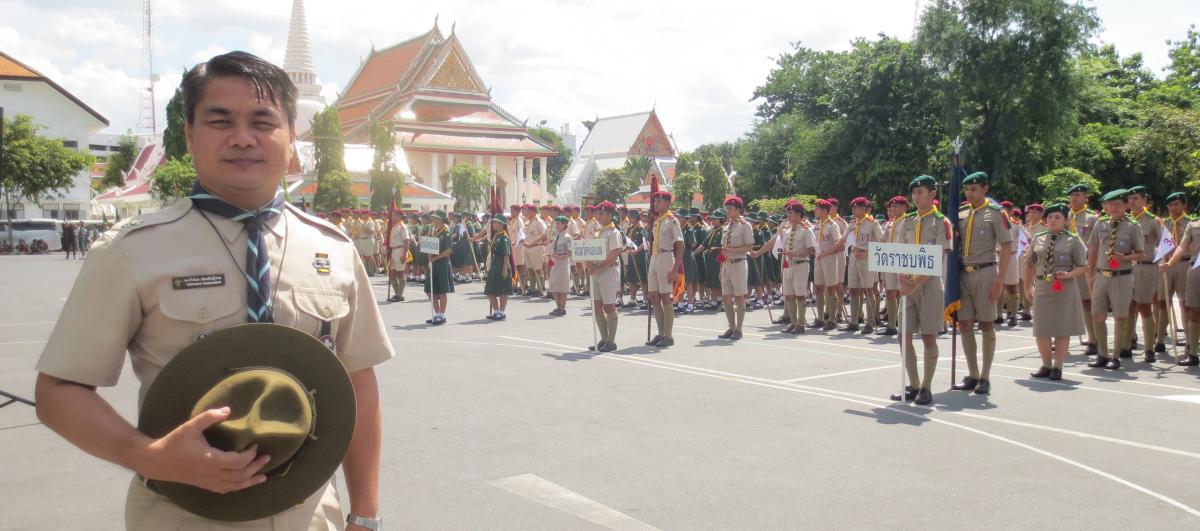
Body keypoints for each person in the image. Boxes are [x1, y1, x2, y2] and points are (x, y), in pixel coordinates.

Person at [33, 51, 389, 531]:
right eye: (220, 121)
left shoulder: (335, 249)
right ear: (189, 136)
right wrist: (151, 457)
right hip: (182, 514)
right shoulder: (131, 252)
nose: (243, 137)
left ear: (292, 138)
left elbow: (359, 384)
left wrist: (364, 515)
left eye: (263, 121)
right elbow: (59, 390)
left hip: (307, 516)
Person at [891, 175, 952, 406]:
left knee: (928, 336)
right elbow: (897, 253)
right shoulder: (906, 222)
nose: (916, 197)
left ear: (932, 194)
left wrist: (916, 283)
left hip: (929, 285)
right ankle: (913, 384)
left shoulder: (940, 222)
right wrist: (902, 278)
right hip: (908, 285)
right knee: (902, 336)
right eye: (914, 193)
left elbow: (939, 257)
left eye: (921, 192)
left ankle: (926, 386)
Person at [952, 172, 1014, 395]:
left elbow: (1007, 247)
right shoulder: (960, 213)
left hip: (986, 271)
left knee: (987, 323)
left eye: (974, 189)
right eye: (967, 189)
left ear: (985, 189)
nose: (970, 193)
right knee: (965, 324)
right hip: (963, 274)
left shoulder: (996, 213)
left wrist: (1000, 280)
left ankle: (985, 377)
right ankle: (973, 373)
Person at [1023, 204, 1088, 380]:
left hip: (1064, 288)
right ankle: (1046, 364)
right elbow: (1029, 264)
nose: (1052, 220)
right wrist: (1027, 287)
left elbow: (1082, 266)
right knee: (1041, 328)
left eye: (1057, 217)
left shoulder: (1073, 240)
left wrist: (1069, 274)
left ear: (1066, 221)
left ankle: (1058, 367)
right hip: (1043, 286)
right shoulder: (1038, 238)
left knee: (1061, 329)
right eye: (1050, 217)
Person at [1086, 189, 1144, 370]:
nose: (1112, 207)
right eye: (1109, 204)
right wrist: (1090, 274)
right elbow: (1093, 250)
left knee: (1120, 316)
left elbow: (1140, 254)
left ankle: (1115, 355)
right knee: (1097, 315)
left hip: (1122, 277)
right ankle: (1102, 353)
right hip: (1102, 275)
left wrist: (1124, 258)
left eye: (1117, 204)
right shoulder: (1100, 224)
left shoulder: (1133, 226)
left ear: (1126, 206)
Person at [755, 200, 815, 334]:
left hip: (800, 264)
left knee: (800, 295)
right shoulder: (787, 230)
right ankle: (793, 323)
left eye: (791, 213)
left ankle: (800, 324)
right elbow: (773, 242)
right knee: (788, 295)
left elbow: (811, 250)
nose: (788, 215)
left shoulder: (806, 230)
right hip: (787, 264)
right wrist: (758, 253)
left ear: (799, 214)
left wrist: (796, 253)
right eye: (787, 212)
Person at [1126, 186, 1163, 362]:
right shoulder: (1124, 221)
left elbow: (1166, 243)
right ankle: (1127, 342)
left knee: (1144, 307)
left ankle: (1149, 348)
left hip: (1145, 267)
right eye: (1130, 199)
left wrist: (1166, 261)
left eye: (1136, 199)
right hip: (1126, 268)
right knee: (1128, 306)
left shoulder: (1152, 221)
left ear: (1143, 200)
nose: (1132, 202)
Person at [1164, 196, 1200, 366]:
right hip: (1195, 270)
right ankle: (1192, 352)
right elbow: (1182, 246)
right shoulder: (1193, 225)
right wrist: (1170, 263)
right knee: (1193, 310)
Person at [645, 191, 684, 347]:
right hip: (655, 257)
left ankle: (668, 335)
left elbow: (680, 246)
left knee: (665, 297)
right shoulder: (656, 221)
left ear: (668, 202)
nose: (655, 204)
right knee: (653, 296)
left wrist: (675, 270)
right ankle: (660, 333)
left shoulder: (672, 221)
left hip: (666, 257)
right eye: (655, 201)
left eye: (659, 201)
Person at [1068, 184, 1102, 356]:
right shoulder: (1067, 216)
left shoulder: (1092, 218)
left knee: (1090, 302)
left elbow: (1097, 244)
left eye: (1078, 195)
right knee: (1080, 302)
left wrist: (1092, 265)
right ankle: (1088, 337)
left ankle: (1094, 339)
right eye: (1072, 195)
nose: (1074, 198)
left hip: (1089, 265)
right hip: (1072, 266)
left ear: (1085, 198)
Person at [842, 197, 883, 334]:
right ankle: (854, 321)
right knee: (853, 289)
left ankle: (870, 322)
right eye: (854, 208)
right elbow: (843, 238)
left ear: (865, 209)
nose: (855, 210)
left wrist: (868, 252)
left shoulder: (872, 223)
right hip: (854, 256)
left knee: (868, 290)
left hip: (867, 257)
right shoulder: (853, 223)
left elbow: (881, 241)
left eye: (859, 207)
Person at [588, 202, 624, 352]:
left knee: (609, 306)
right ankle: (603, 338)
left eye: (602, 213)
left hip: (608, 271)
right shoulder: (598, 231)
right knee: (596, 306)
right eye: (598, 213)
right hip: (597, 271)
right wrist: (590, 265)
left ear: (610, 215)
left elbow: (614, 253)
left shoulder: (613, 232)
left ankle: (611, 341)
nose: (598, 216)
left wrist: (599, 268)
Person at [1160, 192, 1192, 362]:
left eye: (1177, 204)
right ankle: (1159, 339)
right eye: (1170, 205)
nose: (1173, 208)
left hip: (1185, 264)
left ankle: (1188, 340)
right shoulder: (1163, 224)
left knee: (1184, 303)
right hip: (1165, 265)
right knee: (1162, 301)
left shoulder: (1191, 223)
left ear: (1184, 206)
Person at [718, 197, 755, 340]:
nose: (727, 211)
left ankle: (739, 329)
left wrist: (733, 249)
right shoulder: (727, 226)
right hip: (727, 264)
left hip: (739, 262)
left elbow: (749, 246)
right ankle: (731, 327)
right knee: (726, 296)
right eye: (726, 208)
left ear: (738, 210)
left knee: (739, 296)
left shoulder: (745, 225)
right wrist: (721, 266)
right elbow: (723, 248)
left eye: (730, 208)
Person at [812, 199, 843, 331]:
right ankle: (820, 318)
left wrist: (826, 253)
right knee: (818, 287)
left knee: (831, 288)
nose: (815, 210)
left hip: (829, 258)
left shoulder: (832, 225)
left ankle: (832, 319)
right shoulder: (817, 224)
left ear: (824, 210)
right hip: (818, 258)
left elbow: (839, 244)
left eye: (817, 208)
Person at [881, 196, 909, 335]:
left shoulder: (909, 221)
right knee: (890, 291)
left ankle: (904, 323)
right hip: (890, 259)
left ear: (904, 207)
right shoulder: (890, 223)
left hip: (903, 260)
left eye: (897, 206)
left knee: (903, 292)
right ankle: (891, 325)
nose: (893, 208)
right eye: (892, 206)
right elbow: (883, 239)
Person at [424, 210, 455, 325]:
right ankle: (436, 314)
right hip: (433, 263)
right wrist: (429, 254)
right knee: (430, 290)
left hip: (442, 263)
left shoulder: (446, 232)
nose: (432, 220)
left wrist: (436, 258)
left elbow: (449, 250)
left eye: (435, 218)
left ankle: (441, 315)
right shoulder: (433, 230)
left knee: (442, 291)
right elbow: (429, 245)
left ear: (441, 219)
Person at [485, 215, 514, 320]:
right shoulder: (497, 235)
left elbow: (506, 254)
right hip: (495, 265)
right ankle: (496, 311)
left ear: (502, 225)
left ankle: (501, 312)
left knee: (503, 291)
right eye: (493, 222)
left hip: (502, 265)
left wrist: (505, 269)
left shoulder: (504, 237)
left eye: (496, 223)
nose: (494, 224)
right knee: (490, 290)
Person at [547, 215, 573, 316]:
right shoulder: (557, 236)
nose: (556, 225)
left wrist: (560, 256)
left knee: (562, 287)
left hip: (562, 264)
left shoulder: (567, 237)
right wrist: (550, 262)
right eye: (556, 223)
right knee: (553, 286)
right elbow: (553, 251)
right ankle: (558, 307)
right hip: (555, 263)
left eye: (558, 224)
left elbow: (570, 252)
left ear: (564, 225)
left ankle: (562, 308)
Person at [387, 208, 410, 302]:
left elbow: (407, 241)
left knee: (400, 273)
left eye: (394, 215)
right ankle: (397, 294)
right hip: (393, 251)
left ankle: (400, 295)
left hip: (400, 250)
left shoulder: (402, 227)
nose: (392, 216)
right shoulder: (394, 226)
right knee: (391, 273)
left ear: (399, 216)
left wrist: (404, 254)